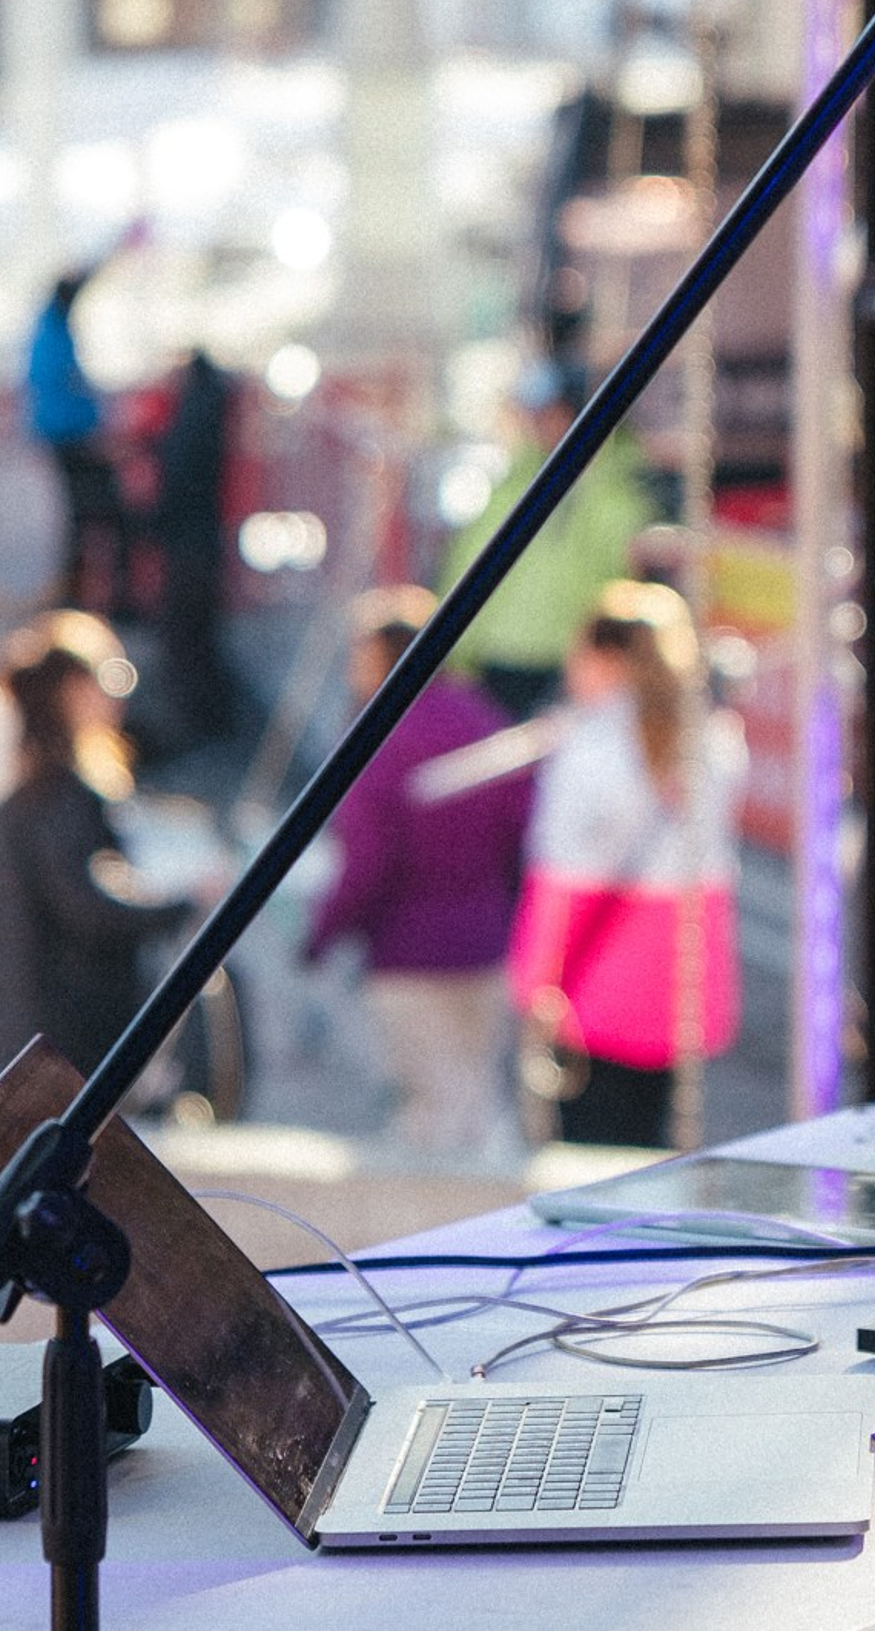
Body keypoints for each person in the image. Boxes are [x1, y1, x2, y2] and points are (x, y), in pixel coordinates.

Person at [0, 615, 196, 1107]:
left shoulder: (9, 784)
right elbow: (84, 906)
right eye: (110, 679)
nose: (119, 697)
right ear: (70, 691)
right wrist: (180, 905)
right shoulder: (55, 792)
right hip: (46, 1041)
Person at [300, 589, 537, 1158]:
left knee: (431, 1118)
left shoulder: (382, 736)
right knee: (476, 1109)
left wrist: (320, 937)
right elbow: (523, 835)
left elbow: (368, 860)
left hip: (409, 952)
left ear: (386, 657)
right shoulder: (485, 720)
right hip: (484, 946)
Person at [508, 581, 741, 1149]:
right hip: (679, 976)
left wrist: (534, 980)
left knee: (588, 1147)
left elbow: (560, 874)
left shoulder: (587, 749)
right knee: (656, 1142)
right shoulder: (713, 742)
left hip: (596, 980)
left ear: (607, 660)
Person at [443, 363, 655, 722]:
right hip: (498, 661)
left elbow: (617, 567)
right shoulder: (515, 481)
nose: (541, 424)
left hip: (569, 665)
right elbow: (470, 562)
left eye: (552, 412)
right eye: (537, 414)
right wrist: (455, 651)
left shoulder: (616, 490)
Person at [24, 223, 144, 611]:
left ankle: (81, 600)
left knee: (85, 523)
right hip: (74, 442)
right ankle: (106, 601)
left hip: (69, 440)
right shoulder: (52, 335)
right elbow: (65, 393)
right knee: (104, 520)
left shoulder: (49, 329)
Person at [149, 348, 239, 742]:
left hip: (190, 543)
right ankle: (206, 721)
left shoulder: (195, 416)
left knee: (186, 635)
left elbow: (181, 478)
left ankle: (198, 724)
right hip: (200, 540)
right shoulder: (211, 409)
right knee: (195, 635)